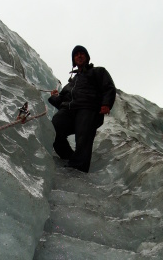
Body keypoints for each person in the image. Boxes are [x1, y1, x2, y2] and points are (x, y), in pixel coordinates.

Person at [48, 45, 116, 173]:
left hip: (88, 108)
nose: (79, 56)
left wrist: (106, 103)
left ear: (87, 57)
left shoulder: (98, 72)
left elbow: (109, 87)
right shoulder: (70, 84)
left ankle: (78, 167)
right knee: (54, 128)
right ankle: (69, 156)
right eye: (76, 54)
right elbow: (61, 101)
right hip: (69, 111)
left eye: (82, 53)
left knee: (84, 135)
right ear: (74, 60)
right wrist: (53, 97)